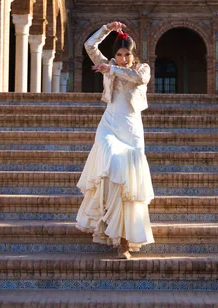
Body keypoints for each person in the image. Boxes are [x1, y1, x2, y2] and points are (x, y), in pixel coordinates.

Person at [75, 21, 154, 259]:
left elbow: (138, 80)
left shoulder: (142, 69)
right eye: (118, 55)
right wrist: (107, 28)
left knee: (128, 184)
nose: (122, 58)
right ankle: (107, 223)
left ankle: (124, 242)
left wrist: (113, 70)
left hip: (131, 130)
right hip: (109, 124)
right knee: (110, 166)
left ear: (133, 54)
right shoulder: (108, 65)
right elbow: (90, 45)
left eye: (126, 54)